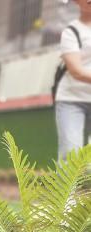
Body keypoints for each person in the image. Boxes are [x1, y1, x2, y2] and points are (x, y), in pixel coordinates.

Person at [55, 0, 91, 159]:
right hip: (72, 99)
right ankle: (68, 185)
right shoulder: (71, 31)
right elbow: (76, 71)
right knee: (71, 155)